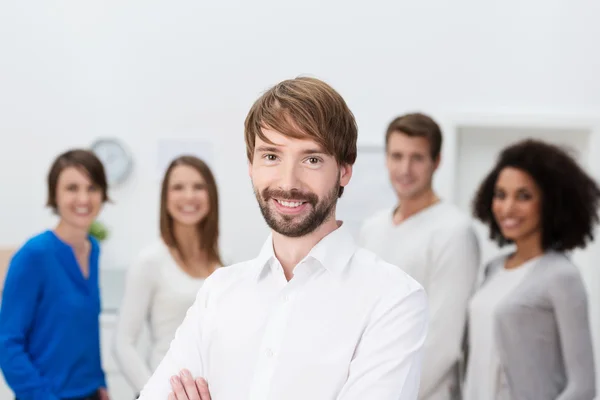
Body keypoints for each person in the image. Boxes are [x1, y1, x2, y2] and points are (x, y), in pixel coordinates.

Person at [137, 76, 429, 400]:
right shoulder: (218, 292)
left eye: (312, 159)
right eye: (271, 156)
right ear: (251, 164)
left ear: (344, 170)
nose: (288, 182)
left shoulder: (393, 299)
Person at [463, 139, 598, 400]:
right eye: (501, 195)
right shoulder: (493, 269)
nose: (508, 207)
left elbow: (583, 386)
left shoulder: (561, 277)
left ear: (549, 203)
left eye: (523, 196)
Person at [359, 113, 480, 400]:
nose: (405, 169)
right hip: (371, 385)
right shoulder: (372, 228)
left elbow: (445, 341)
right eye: (397, 156)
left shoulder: (454, 231)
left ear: (436, 162)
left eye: (417, 158)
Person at [0, 149, 110, 400]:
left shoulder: (93, 250)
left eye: (92, 188)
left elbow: (84, 331)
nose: (83, 198)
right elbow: (7, 343)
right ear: (55, 195)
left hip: (90, 393)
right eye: (72, 188)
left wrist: (100, 383)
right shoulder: (33, 255)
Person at [113, 155, 223, 396]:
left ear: (211, 195)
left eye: (198, 187)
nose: (189, 196)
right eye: (178, 187)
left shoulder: (224, 261)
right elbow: (123, 343)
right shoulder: (150, 262)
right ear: (166, 198)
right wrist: (155, 392)